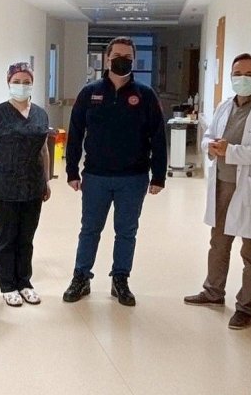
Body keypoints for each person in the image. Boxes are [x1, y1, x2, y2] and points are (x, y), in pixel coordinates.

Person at [63, 37, 167, 306]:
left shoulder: (145, 95)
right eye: (117, 55)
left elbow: (158, 137)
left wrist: (158, 175)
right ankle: (81, 277)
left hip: (133, 178)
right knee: (90, 229)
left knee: (126, 231)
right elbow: (75, 133)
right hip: (95, 176)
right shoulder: (90, 93)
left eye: (128, 57)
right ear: (107, 59)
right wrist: (72, 170)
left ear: (133, 60)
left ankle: (120, 278)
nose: (122, 60)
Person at [184, 53, 251, 330]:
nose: (242, 79)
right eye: (238, 73)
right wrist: (210, 146)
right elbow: (208, 136)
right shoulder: (224, 106)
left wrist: (232, 151)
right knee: (218, 243)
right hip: (222, 184)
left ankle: (245, 307)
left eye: (249, 74)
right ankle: (213, 292)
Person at [0, 62, 51, 307]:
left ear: (32, 83)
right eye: (16, 81)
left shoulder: (40, 114)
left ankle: (25, 282)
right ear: (8, 82)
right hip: (5, 186)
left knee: (26, 238)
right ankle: (8, 285)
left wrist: (46, 181)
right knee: (8, 237)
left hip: (33, 186)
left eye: (26, 81)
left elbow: (44, 150)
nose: (21, 85)